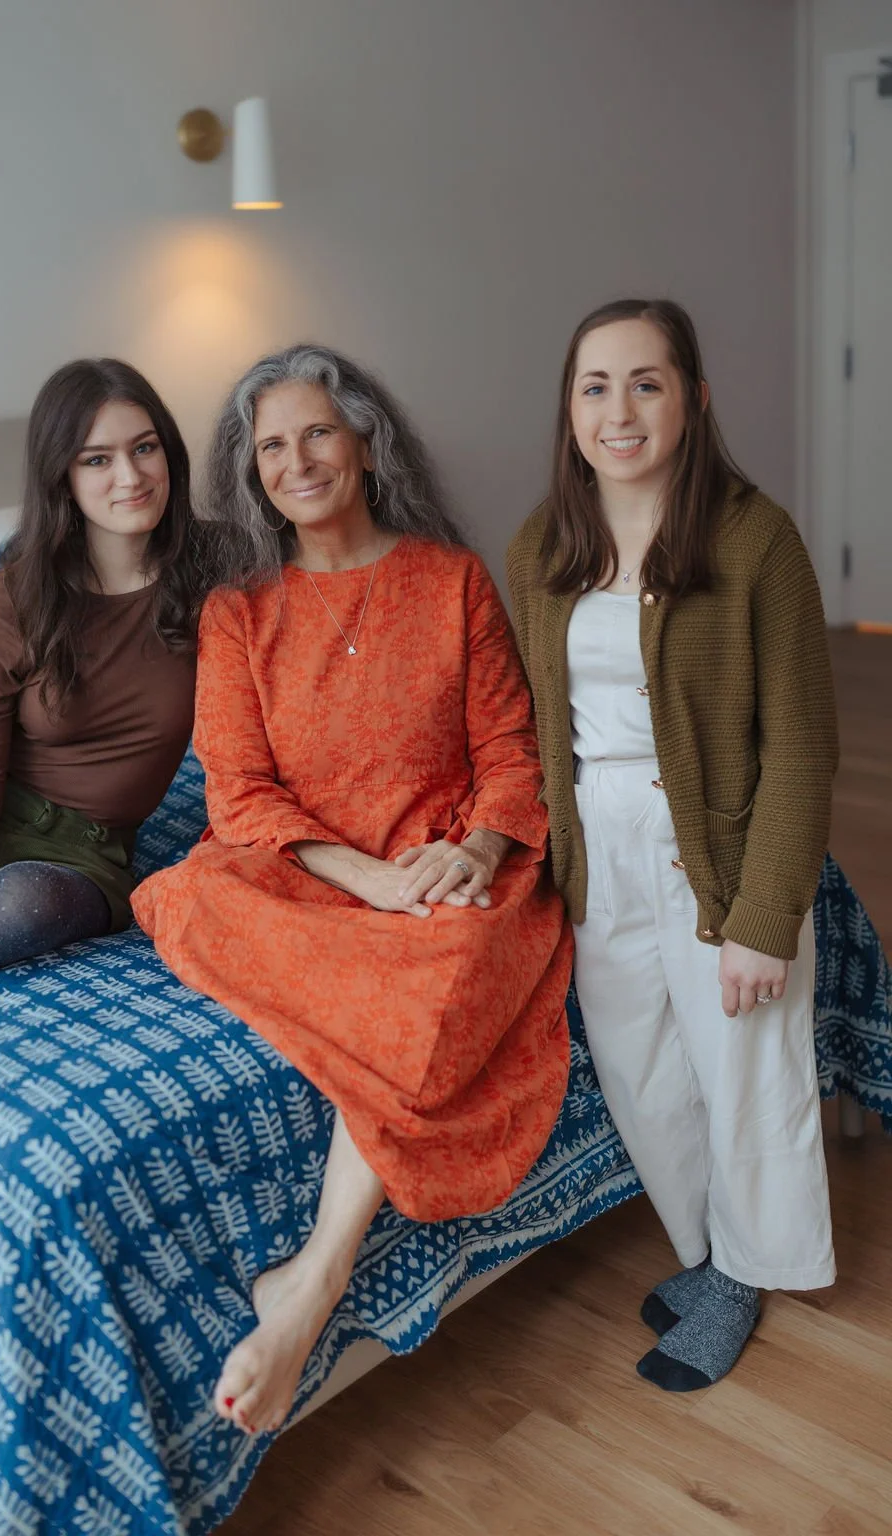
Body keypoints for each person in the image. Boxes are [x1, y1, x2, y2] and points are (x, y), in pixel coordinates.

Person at [132, 343, 574, 1437]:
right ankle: (317, 1276)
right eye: (272, 446)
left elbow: (513, 755)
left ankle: (312, 1281)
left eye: (317, 432)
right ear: (253, 474)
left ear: (366, 442)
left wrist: (471, 855)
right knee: (194, 891)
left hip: (435, 870)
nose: (298, 460)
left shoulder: (453, 579)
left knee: (459, 964)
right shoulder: (238, 613)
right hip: (307, 875)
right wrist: (361, 878)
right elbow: (238, 795)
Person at [506, 297, 838, 1392]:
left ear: (693, 399)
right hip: (596, 847)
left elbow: (799, 743)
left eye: (646, 382)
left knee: (744, 1068)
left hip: (719, 842)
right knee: (644, 1070)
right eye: (595, 386)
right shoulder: (540, 546)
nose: (619, 410)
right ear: (568, 408)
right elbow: (532, 727)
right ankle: (707, 1254)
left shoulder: (754, 540)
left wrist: (764, 916)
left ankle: (745, 1276)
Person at [0, 357, 212, 1006]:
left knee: (24, 904)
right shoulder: (13, 598)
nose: (131, 476)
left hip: (85, 848)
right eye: (97, 460)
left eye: (145, 448)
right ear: (62, 477)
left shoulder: (216, 575)